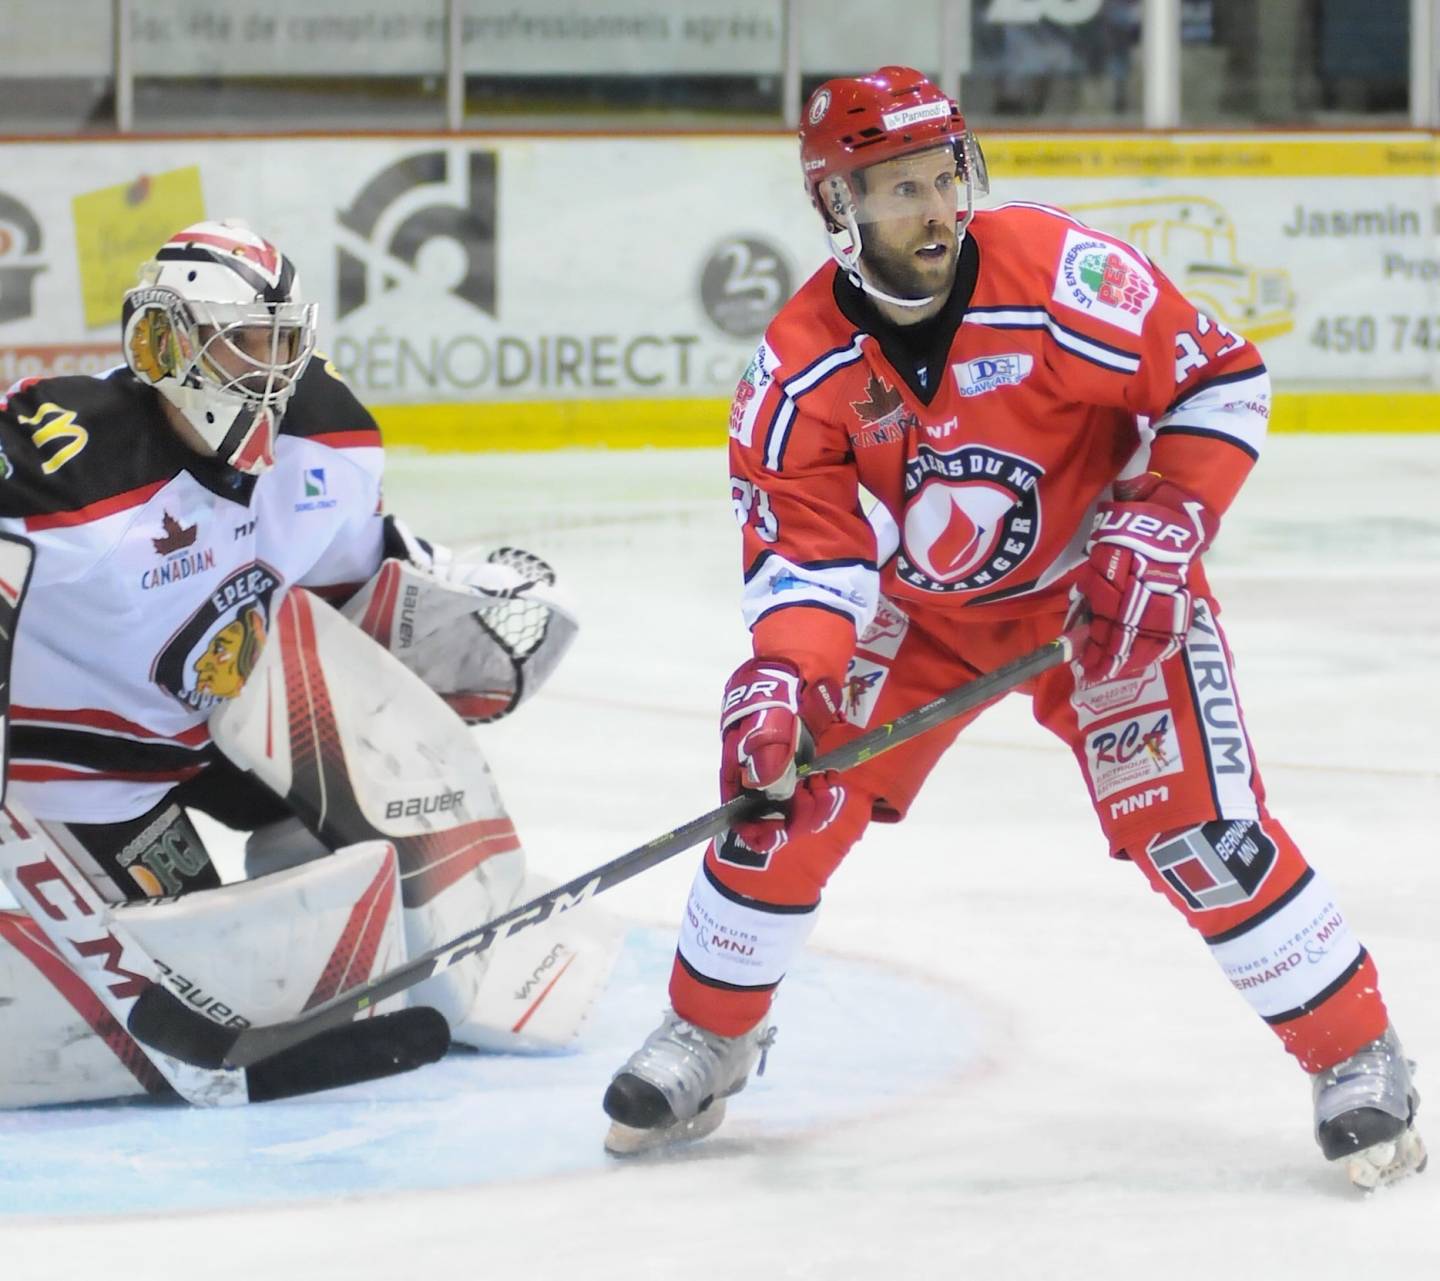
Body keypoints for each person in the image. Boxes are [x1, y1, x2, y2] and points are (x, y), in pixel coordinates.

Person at [601, 67, 1425, 1190]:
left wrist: (1168, 517)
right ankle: (710, 1032)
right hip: (919, 620)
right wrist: (785, 678)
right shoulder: (798, 372)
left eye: (947, 177)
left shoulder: (1057, 276)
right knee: (779, 800)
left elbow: (1220, 379)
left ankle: (1356, 1053)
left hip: (1105, 603)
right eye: (902, 189)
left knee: (1199, 832)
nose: (938, 209)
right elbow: (811, 554)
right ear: (839, 205)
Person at [0, 219, 594, 1105]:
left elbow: (360, 573)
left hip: (223, 725)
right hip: (84, 770)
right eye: (244, 341)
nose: (273, 371)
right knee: (209, 983)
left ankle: (459, 938)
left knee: (349, 852)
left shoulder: (326, 436)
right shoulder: (66, 466)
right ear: (166, 343)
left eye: (283, 342)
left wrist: (461, 595)